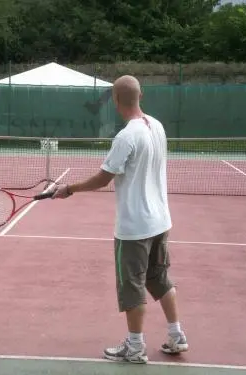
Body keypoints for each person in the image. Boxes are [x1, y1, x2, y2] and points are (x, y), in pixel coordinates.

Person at [49, 75, 188, 364]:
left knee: (132, 285)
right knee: (159, 278)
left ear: (114, 100)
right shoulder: (157, 126)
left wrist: (68, 189)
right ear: (142, 95)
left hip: (134, 228)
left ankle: (135, 347)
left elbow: (103, 178)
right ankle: (177, 335)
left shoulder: (126, 137)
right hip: (161, 221)